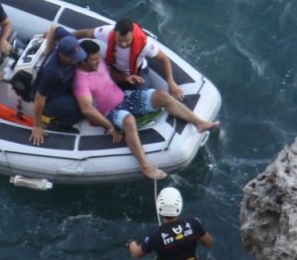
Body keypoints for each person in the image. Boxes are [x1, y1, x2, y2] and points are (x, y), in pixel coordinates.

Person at [73, 40, 219, 179]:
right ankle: (145, 166)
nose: (98, 61)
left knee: (162, 96)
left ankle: (199, 123)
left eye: (98, 57)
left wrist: (126, 78)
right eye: (94, 59)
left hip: (125, 97)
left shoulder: (98, 63)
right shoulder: (81, 81)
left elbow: (110, 73)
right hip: (111, 112)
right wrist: (109, 125)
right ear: (82, 61)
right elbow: (86, 109)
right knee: (129, 121)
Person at [75, 18, 183, 98]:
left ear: (132, 34)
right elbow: (87, 33)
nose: (123, 44)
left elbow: (163, 59)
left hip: (138, 73)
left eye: (127, 40)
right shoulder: (107, 32)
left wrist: (171, 82)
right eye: (119, 40)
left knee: (144, 97)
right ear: (114, 33)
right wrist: (65, 39)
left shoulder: (145, 44)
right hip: (114, 71)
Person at [29, 25, 87, 145]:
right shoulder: (53, 72)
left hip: (63, 85)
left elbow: (54, 28)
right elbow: (39, 99)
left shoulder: (68, 40)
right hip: (51, 99)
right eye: (72, 58)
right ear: (62, 55)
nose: (76, 60)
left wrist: (47, 51)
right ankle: (59, 124)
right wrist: (37, 126)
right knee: (83, 107)